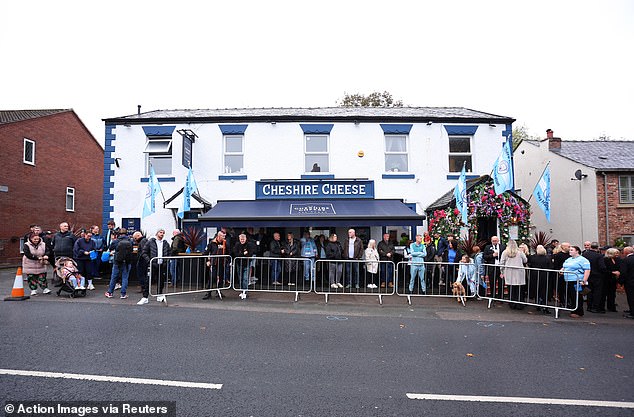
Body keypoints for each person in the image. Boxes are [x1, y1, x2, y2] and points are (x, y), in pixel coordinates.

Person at [138, 228, 170, 305]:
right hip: (153, 264)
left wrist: (166, 260)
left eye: (163, 233)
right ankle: (145, 297)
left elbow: (169, 252)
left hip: (162, 265)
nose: (162, 234)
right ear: (157, 233)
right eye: (160, 232)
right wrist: (149, 261)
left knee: (161, 281)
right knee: (148, 281)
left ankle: (159, 295)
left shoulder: (165, 243)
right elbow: (144, 252)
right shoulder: (151, 242)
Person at [560, 245, 591, 318]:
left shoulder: (583, 260)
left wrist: (584, 280)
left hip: (576, 280)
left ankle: (578, 312)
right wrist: (561, 270)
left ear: (577, 251)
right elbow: (564, 266)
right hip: (568, 280)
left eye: (571, 250)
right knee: (571, 295)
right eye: (570, 250)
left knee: (576, 296)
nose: (570, 251)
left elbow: (587, 269)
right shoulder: (569, 259)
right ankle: (573, 309)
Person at [105, 229, 133, 299]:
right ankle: (123, 294)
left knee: (114, 277)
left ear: (119, 234)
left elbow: (110, 248)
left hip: (117, 262)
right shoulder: (130, 241)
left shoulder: (116, 241)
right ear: (126, 233)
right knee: (125, 277)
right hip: (127, 262)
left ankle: (110, 292)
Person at [500, 240, 528, 309]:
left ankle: (512, 304)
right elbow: (525, 260)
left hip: (509, 271)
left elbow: (502, 263)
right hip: (519, 271)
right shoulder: (520, 252)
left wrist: (502, 271)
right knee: (519, 288)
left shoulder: (505, 252)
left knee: (511, 288)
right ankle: (519, 304)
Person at [527, 245, 555, 314]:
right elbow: (551, 267)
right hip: (544, 276)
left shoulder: (532, 257)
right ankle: (544, 306)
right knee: (544, 291)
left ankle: (537, 304)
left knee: (536, 290)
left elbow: (530, 265)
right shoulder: (547, 258)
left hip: (534, 276)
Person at [202, 230, 230, 299]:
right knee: (212, 277)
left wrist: (228, 261)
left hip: (222, 263)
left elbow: (229, 252)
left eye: (224, 236)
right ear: (218, 236)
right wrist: (207, 261)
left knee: (221, 278)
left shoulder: (225, 243)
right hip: (214, 263)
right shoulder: (212, 243)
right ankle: (208, 293)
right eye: (223, 236)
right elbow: (205, 252)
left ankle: (219, 292)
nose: (224, 237)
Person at [584, 242, 607, 313]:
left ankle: (589, 306)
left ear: (590, 247)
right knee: (597, 292)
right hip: (597, 276)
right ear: (597, 248)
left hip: (587, 275)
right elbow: (602, 267)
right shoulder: (599, 256)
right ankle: (595, 307)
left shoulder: (585, 254)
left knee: (589, 291)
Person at [603, 248, 621, 312]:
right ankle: (602, 307)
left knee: (612, 294)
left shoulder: (616, 259)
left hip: (613, 279)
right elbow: (604, 270)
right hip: (606, 279)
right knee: (604, 293)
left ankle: (611, 307)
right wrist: (613, 272)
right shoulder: (605, 260)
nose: (617, 254)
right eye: (615, 253)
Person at [619, 246, 634, 319]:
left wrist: (620, 282)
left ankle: (632, 312)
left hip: (630, 282)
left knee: (631, 297)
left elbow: (623, 273)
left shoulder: (626, 260)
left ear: (626, 252)